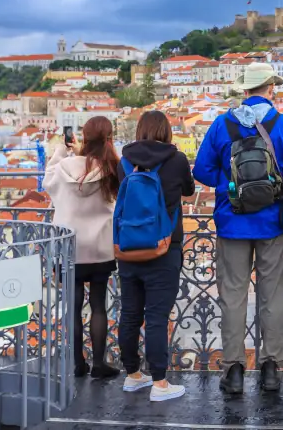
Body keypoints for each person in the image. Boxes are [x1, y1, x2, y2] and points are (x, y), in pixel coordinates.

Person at [193, 63, 283, 393]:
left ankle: (232, 370)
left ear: (245, 91)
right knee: (272, 295)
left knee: (232, 297)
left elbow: (201, 171)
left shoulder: (221, 124)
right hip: (273, 222)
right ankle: (271, 367)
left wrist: (230, 186)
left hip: (232, 221)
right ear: (270, 89)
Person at [117, 111, 195, 402]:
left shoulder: (124, 160)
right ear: (166, 131)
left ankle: (133, 375)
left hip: (128, 248)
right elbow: (188, 190)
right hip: (164, 246)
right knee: (157, 317)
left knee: (130, 314)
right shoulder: (176, 160)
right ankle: (160, 383)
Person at [43, 117, 120, 379]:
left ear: (83, 138)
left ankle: (77, 363)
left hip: (68, 246)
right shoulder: (111, 167)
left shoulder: (64, 166)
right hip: (100, 245)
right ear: (108, 139)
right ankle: (99, 363)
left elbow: (48, 183)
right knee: (98, 304)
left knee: (73, 306)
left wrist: (63, 151)